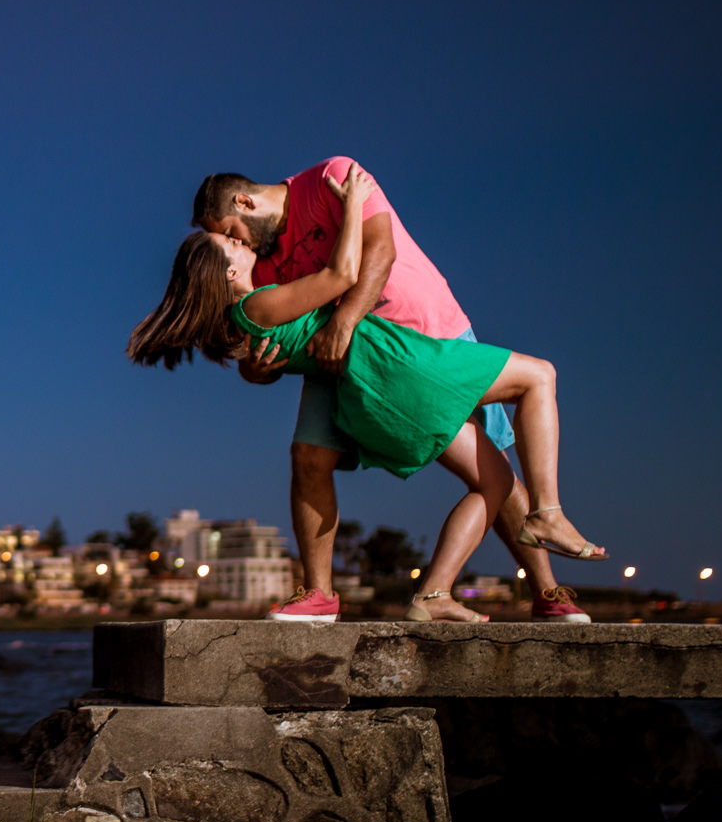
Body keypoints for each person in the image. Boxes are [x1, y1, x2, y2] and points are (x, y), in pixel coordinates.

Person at [127, 164, 604, 623]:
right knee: (312, 457)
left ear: (244, 202)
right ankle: (325, 593)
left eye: (231, 230)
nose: (238, 240)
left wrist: (342, 319)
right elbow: (272, 336)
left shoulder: (330, 178)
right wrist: (260, 367)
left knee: (494, 466)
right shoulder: (260, 268)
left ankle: (543, 589)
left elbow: (379, 251)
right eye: (228, 241)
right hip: (371, 361)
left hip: (420, 332)